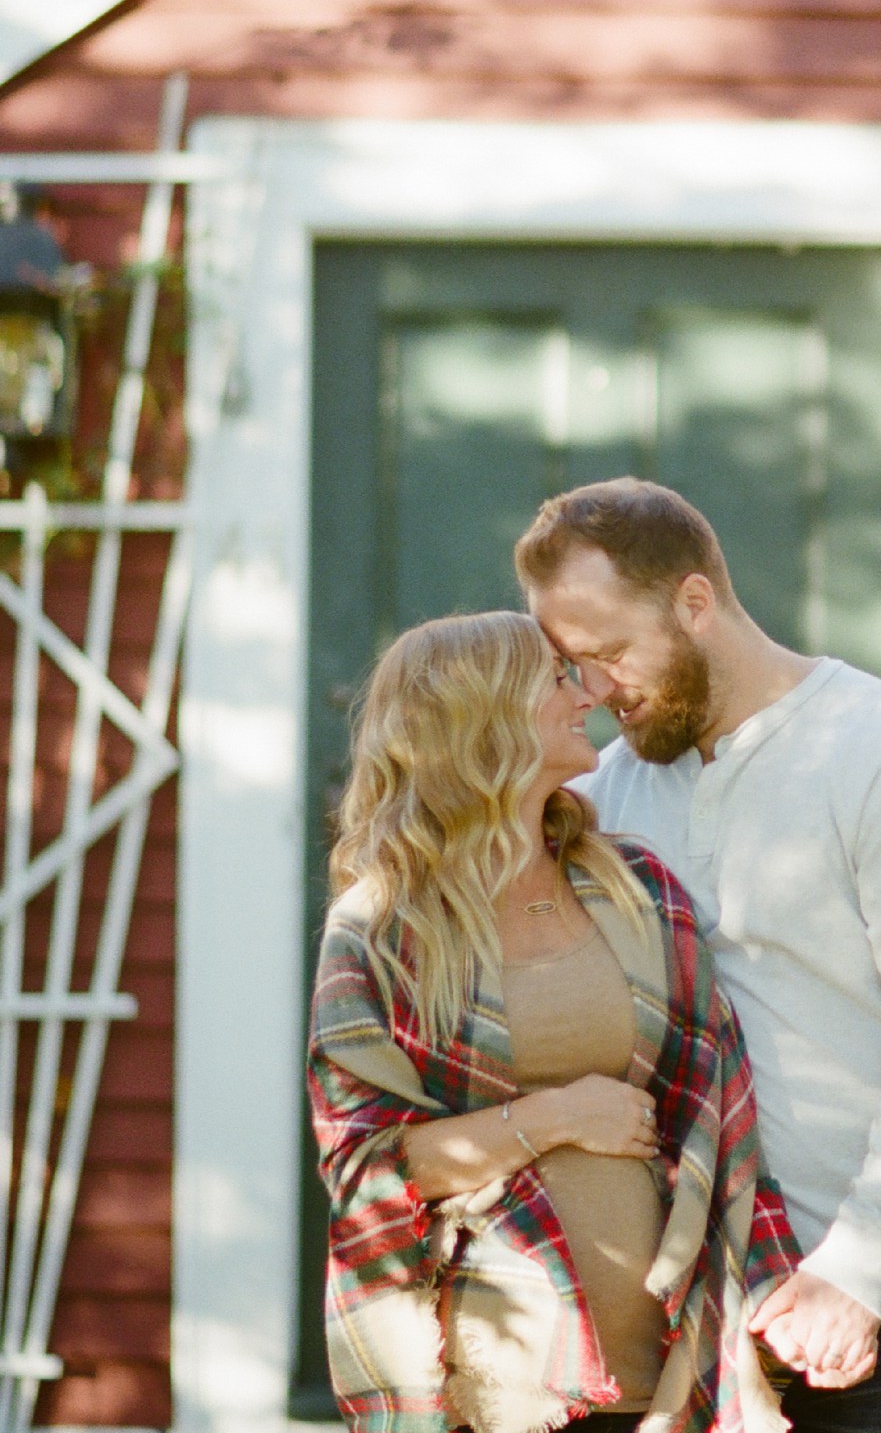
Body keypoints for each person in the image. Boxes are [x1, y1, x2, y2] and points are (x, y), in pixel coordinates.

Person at [515, 481, 881, 1433]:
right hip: (693, 1306)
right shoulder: (605, 794)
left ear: (694, 604)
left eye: (612, 652)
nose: (601, 690)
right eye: (575, 666)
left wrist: (855, 1272)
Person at [307, 609, 801, 1433]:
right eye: (559, 678)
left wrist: (745, 1323)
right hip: (495, 1390)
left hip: (669, 1372)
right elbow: (363, 1173)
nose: (590, 694)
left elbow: (720, 1123)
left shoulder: (635, 888)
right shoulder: (387, 927)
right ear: (485, 715)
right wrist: (554, 1117)